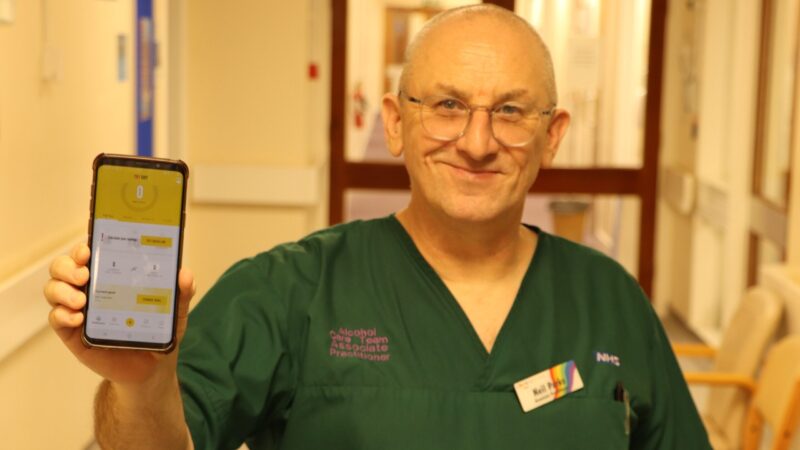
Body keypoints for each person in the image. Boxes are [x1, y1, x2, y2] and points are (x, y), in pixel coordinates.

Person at [44, 5, 711, 449]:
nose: (477, 142)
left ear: (552, 135)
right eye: (448, 105)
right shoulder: (288, 292)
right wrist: (141, 384)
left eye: (510, 111)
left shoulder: (609, 300)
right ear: (395, 121)